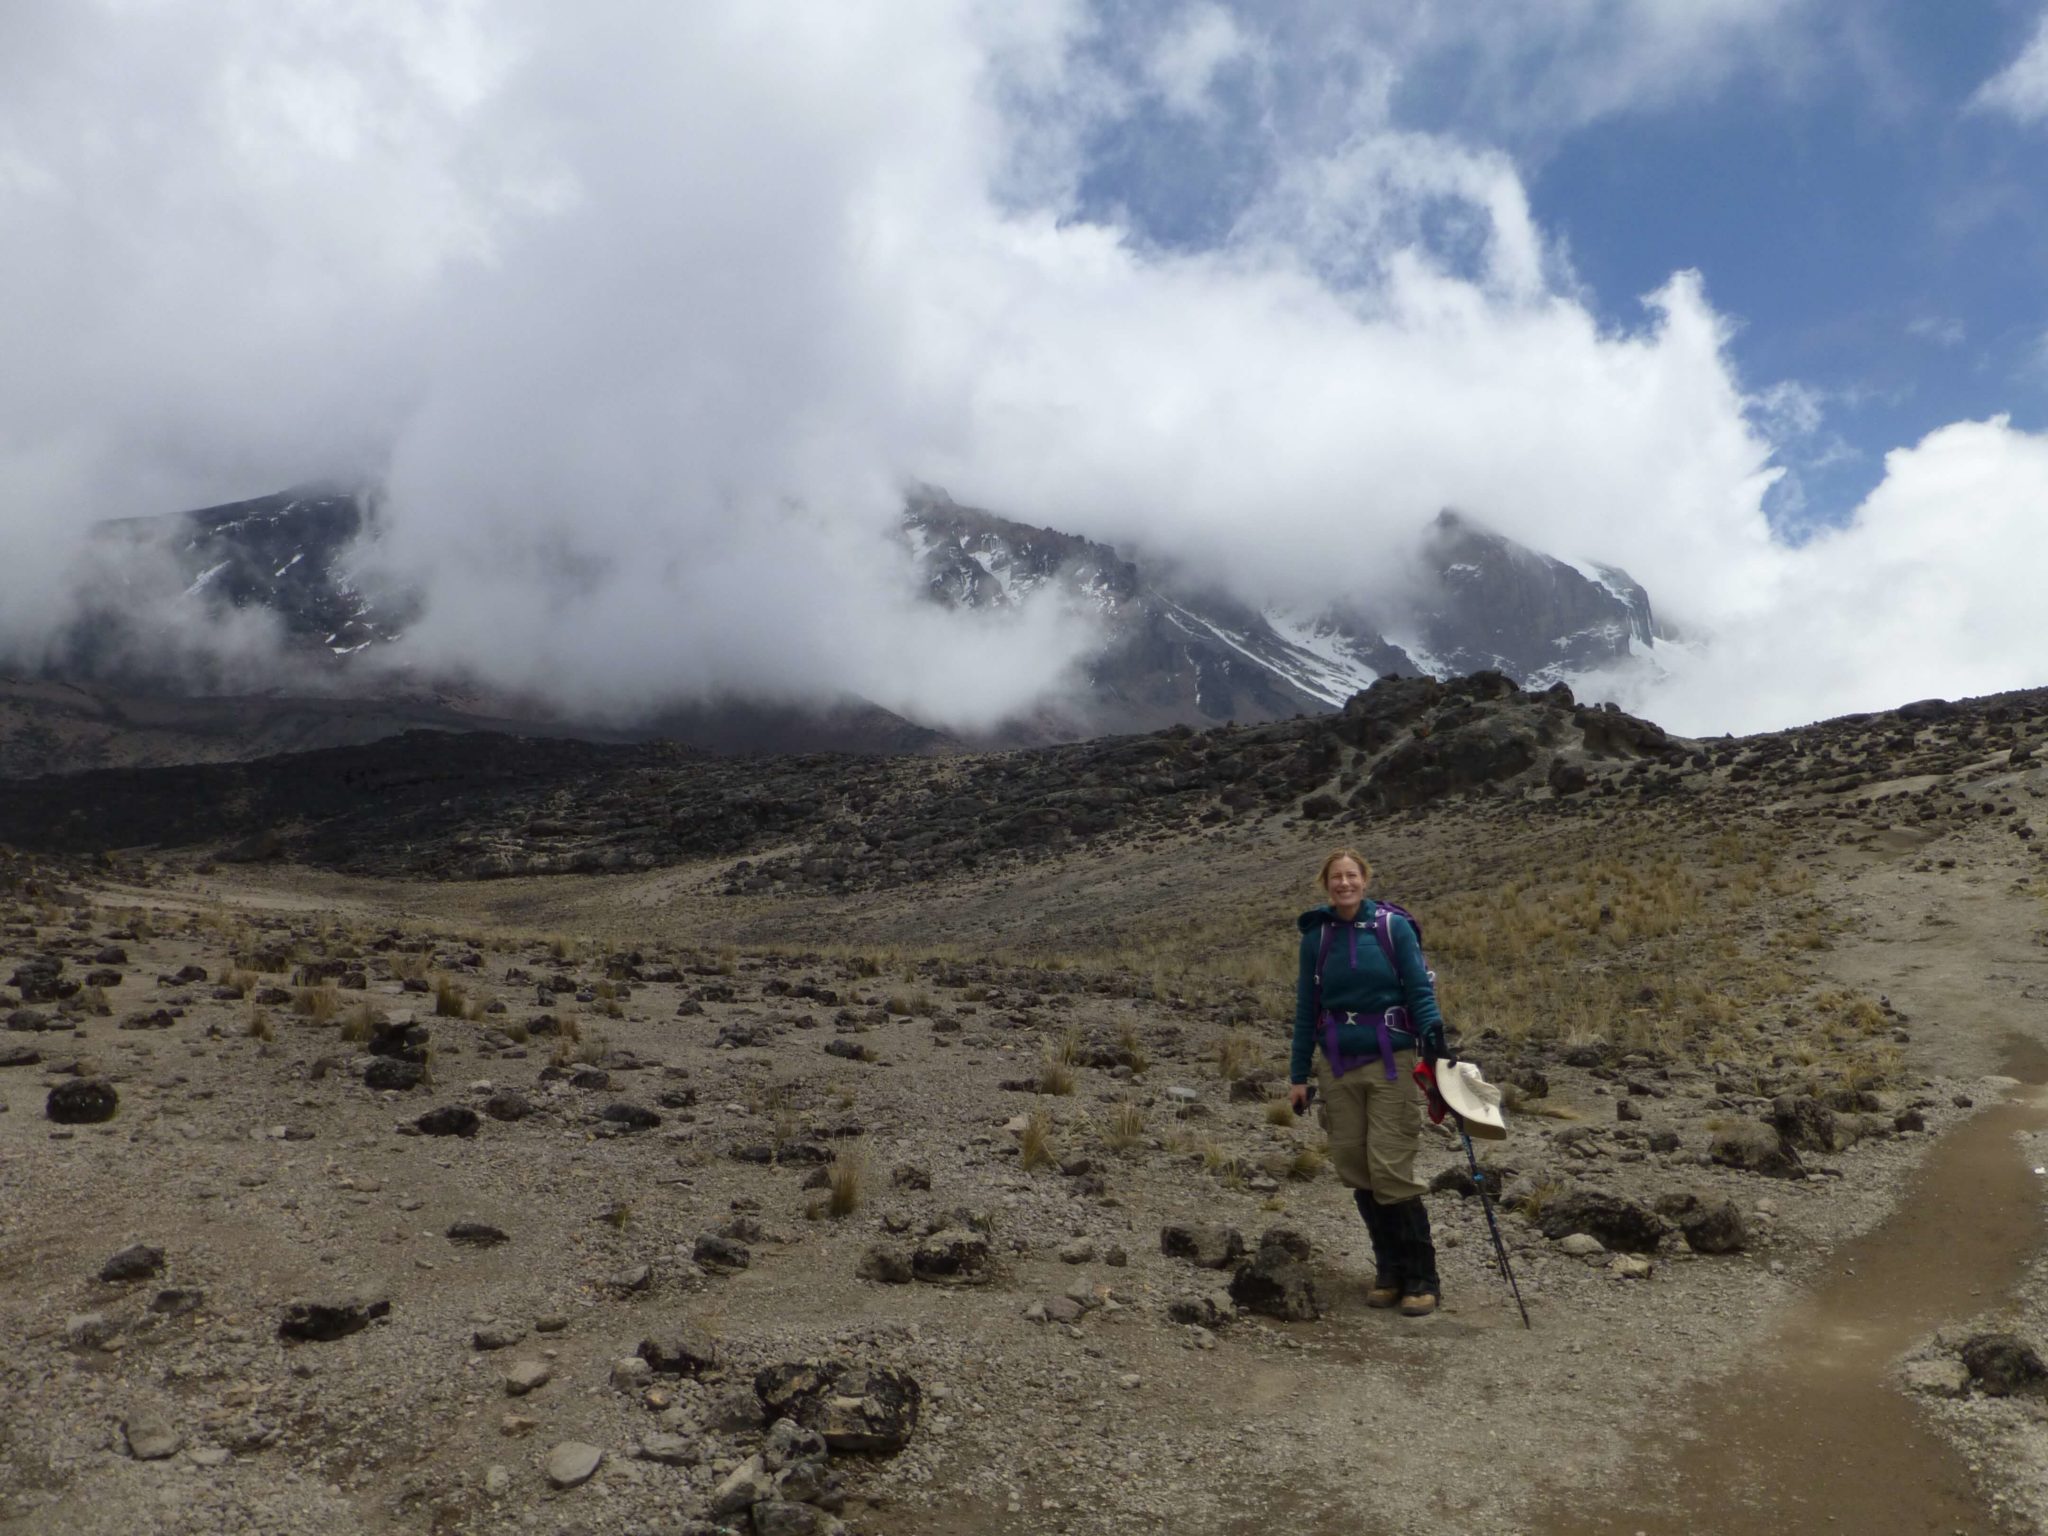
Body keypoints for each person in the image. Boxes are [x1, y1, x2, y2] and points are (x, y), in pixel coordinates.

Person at [1288, 848, 1448, 1317]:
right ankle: (1388, 1270)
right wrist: (1298, 1074)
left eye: (1351, 875)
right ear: (1326, 883)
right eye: (1336, 877)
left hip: (1390, 1062)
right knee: (1355, 1164)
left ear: (1365, 879)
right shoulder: (1315, 937)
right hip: (1336, 1064)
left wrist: (1436, 1046)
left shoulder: (1392, 928)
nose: (1344, 884)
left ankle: (1422, 1276)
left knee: (1391, 1164)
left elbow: (1419, 989)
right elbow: (1305, 1008)